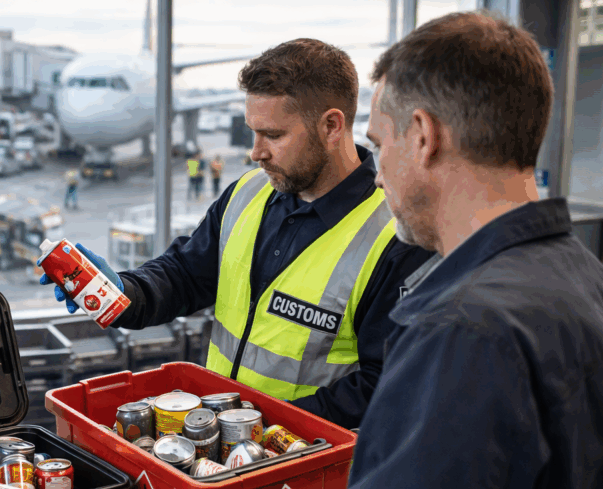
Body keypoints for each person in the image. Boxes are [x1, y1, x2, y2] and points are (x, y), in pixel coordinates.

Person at [149, 12, 603, 489]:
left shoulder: (465, 331)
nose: (375, 170)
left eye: (378, 141)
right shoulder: (578, 275)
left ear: (422, 137)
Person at [43, 39, 433, 429]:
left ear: (331, 126)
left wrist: (263, 430)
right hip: (225, 450)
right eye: (253, 132)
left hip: (308, 463)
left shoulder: (395, 236)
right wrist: (124, 293)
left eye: (273, 135)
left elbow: (384, 384)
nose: (255, 152)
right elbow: (184, 275)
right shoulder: (249, 192)